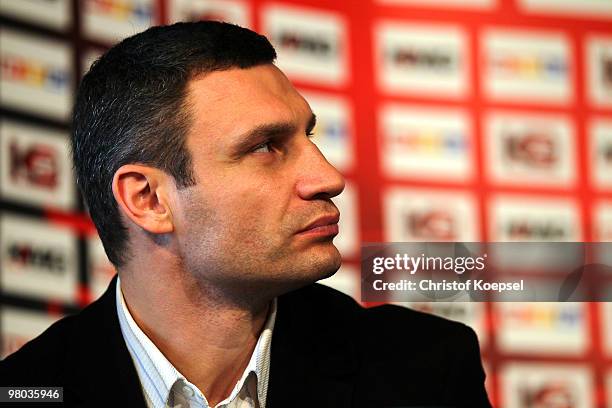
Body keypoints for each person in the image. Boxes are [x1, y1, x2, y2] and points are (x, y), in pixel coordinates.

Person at [0, 21, 491, 407]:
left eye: (308, 138)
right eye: (265, 147)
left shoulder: (424, 369)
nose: (328, 178)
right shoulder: (28, 389)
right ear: (148, 200)